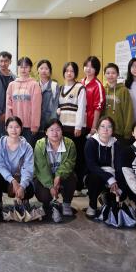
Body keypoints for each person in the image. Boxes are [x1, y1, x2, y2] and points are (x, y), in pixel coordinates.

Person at [33, 119, 77, 217]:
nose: (55, 133)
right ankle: (48, 204)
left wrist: (58, 176)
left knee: (72, 177)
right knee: (44, 195)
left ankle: (66, 204)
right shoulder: (40, 145)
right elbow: (41, 167)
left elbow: (69, 163)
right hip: (44, 176)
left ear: (62, 131)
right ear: (46, 132)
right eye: (51, 130)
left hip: (61, 175)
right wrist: (50, 186)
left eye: (58, 129)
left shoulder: (69, 144)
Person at [84, 116, 126, 217]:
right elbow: (91, 165)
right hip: (95, 174)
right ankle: (92, 205)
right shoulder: (91, 142)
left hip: (112, 176)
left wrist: (117, 183)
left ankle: (106, 198)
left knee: (121, 193)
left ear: (113, 130)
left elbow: (119, 166)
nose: (105, 130)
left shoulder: (116, 144)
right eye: (102, 126)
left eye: (109, 127)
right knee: (94, 178)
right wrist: (109, 178)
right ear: (97, 129)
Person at [58, 61, 87, 193]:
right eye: (67, 71)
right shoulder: (61, 88)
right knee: (65, 157)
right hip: (63, 128)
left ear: (75, 73)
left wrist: (78, 126)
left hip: (75, 129)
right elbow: (59, 106)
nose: (69, 73)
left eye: (72, 71)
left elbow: (81, 108)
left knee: (77, 157)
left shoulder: (80, 88)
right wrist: (58, 110)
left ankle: (78, 187)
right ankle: (65, 185)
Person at [0, 116, 34, 205]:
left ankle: (22, 201)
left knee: (30, 189)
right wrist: (12, 181)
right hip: (6, 178)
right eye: (10, 127)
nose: (14, 130)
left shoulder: (27, 147)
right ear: (6, 128)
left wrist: (22, 186)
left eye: (17, 127)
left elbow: (28, 169)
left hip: (21, 177)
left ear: (21, 128)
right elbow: (0, 166)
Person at [5, 56, 41, 146]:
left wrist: (35, 125)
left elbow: (36, 107)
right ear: (18, 68)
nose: (23, 69)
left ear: (30, 68)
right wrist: (8, 124)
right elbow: (8, 106)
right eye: (21, 67)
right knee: (14, 149)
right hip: (14, 126)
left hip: (29, 127)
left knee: (27, 150)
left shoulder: (34, 85)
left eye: (26, 67)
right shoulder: (12, 85)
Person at [102, 63, 134, 141]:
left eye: (113, 73)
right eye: (108, 73)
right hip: (104, 130)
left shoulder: (123, 90)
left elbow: (128, 112)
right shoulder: (102, 89)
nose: (110, 75)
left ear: (118, 74)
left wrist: (128, 132)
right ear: (104, 75)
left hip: (119, 131)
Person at [34, 59, 59, 142]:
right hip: (36, 124)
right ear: (38, 70)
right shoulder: (34, 85)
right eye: (41, 68)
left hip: (49, 123)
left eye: (46, 68)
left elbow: (55, 106)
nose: (44, 71)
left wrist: (52, 124)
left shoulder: (54, 86)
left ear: (50, 71)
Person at [81, 56, 105, 137]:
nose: (88, 69)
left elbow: (98, 108)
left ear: (96, 69)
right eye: (86, 66)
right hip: (79, 123)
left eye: (91, 67)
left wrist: (94, 128)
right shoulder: (81, 82)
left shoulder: (98, 85)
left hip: (90, 125)